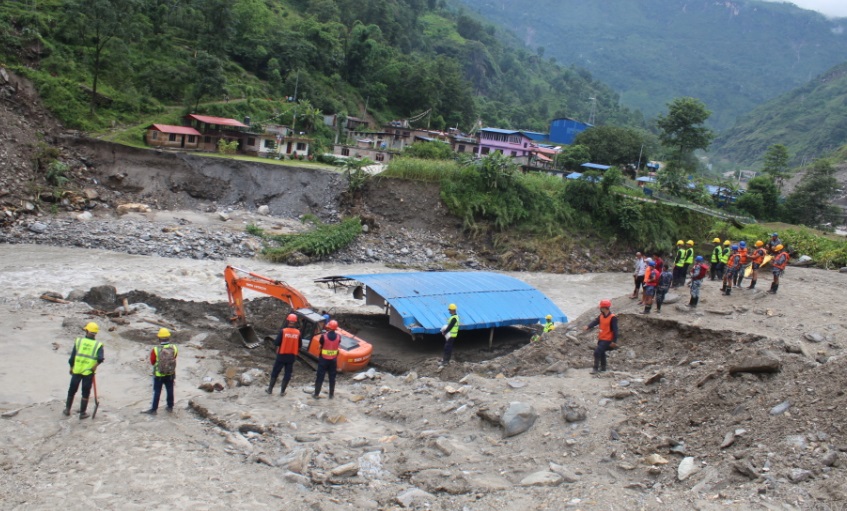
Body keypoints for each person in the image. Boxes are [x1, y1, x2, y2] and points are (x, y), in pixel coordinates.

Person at [64, 322, 104, 419]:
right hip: (89, 372)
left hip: (76, 371)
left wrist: (71, 367)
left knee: (71, 390)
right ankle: (82, 413)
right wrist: (95, 366)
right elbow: (100, 358)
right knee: (85, 392)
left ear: (86, 331)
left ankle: (67, 410)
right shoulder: (98, 345)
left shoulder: (79, 341)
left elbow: (72, 357)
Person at [143, 328, 178, 414]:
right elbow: (175, 357)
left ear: (159, 338)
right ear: (168, 338)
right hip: (170, 373)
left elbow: (152, 361)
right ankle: (170, 407)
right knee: (170, 390)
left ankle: (154, 409)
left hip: (159, 375)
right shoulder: (174, 347)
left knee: (157, 391)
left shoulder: (155, 349)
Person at [268, 313, 301, 396]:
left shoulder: (283, 331)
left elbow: (276, 342)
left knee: (275, 372)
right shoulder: (298, 333)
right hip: (291, 357)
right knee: (287, 374)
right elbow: (300, 345)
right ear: (295, 322)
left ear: (288, 321)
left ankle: (270, 389)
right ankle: (282, 391)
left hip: (281, 355)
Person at [584, 300, 617, 374]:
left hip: (607, 339)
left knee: (597, 352)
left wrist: (614, 341)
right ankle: (603, 367)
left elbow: (615, 330)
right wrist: (588, 326)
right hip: (601, 338)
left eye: (601, 307)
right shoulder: (601, 316)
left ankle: (595, 368)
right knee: (602, 352)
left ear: (604, 308)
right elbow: (596, 321)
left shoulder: (612, 318)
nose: (600, 309)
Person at [313, 320, 341, 399]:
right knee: (332, 377)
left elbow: (322, 343)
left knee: (320, 377)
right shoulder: (339, 337)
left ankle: (316, 394)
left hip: (324, 360)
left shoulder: (324, 336)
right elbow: (337, 344)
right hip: (333, 361)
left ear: (329, 327)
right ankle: (331, 395)